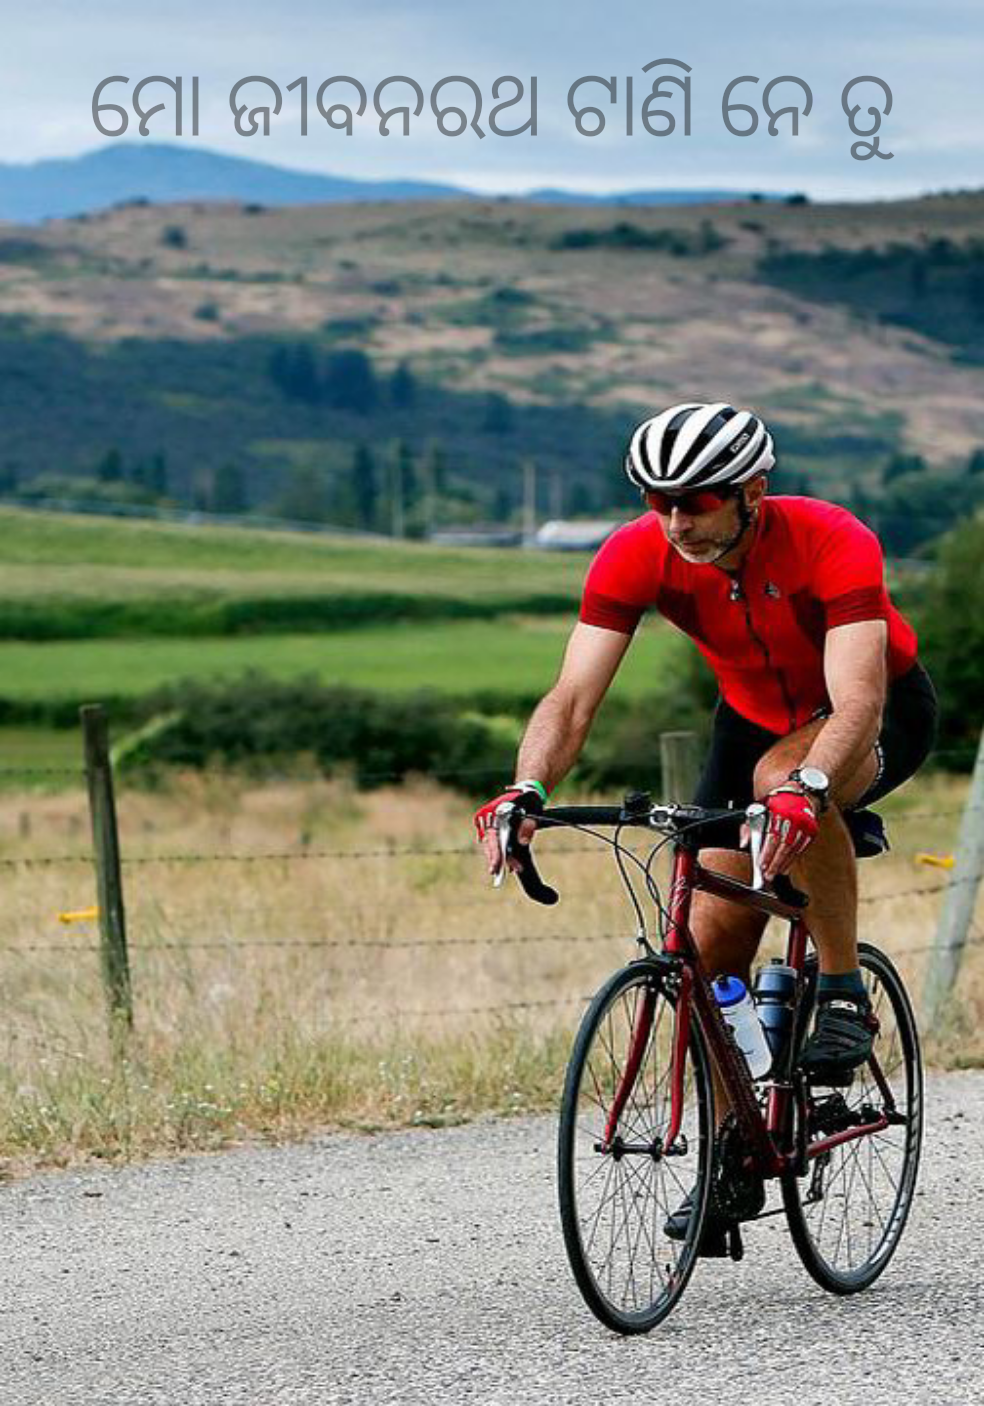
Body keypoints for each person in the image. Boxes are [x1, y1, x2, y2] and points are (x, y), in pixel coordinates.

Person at [473, 400, 938, 1251]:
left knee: (781, 783)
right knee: (707, 943)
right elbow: (571, 698)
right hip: (750, 720)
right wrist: (525, 788)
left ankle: (843, 991)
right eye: (659, 502)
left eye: (697, 502)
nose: (677, 522)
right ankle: (733, 1150)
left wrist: (807, 789)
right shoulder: (635, 553)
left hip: (871, 714)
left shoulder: (831, 538)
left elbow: (859, 700)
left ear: (752, 491)